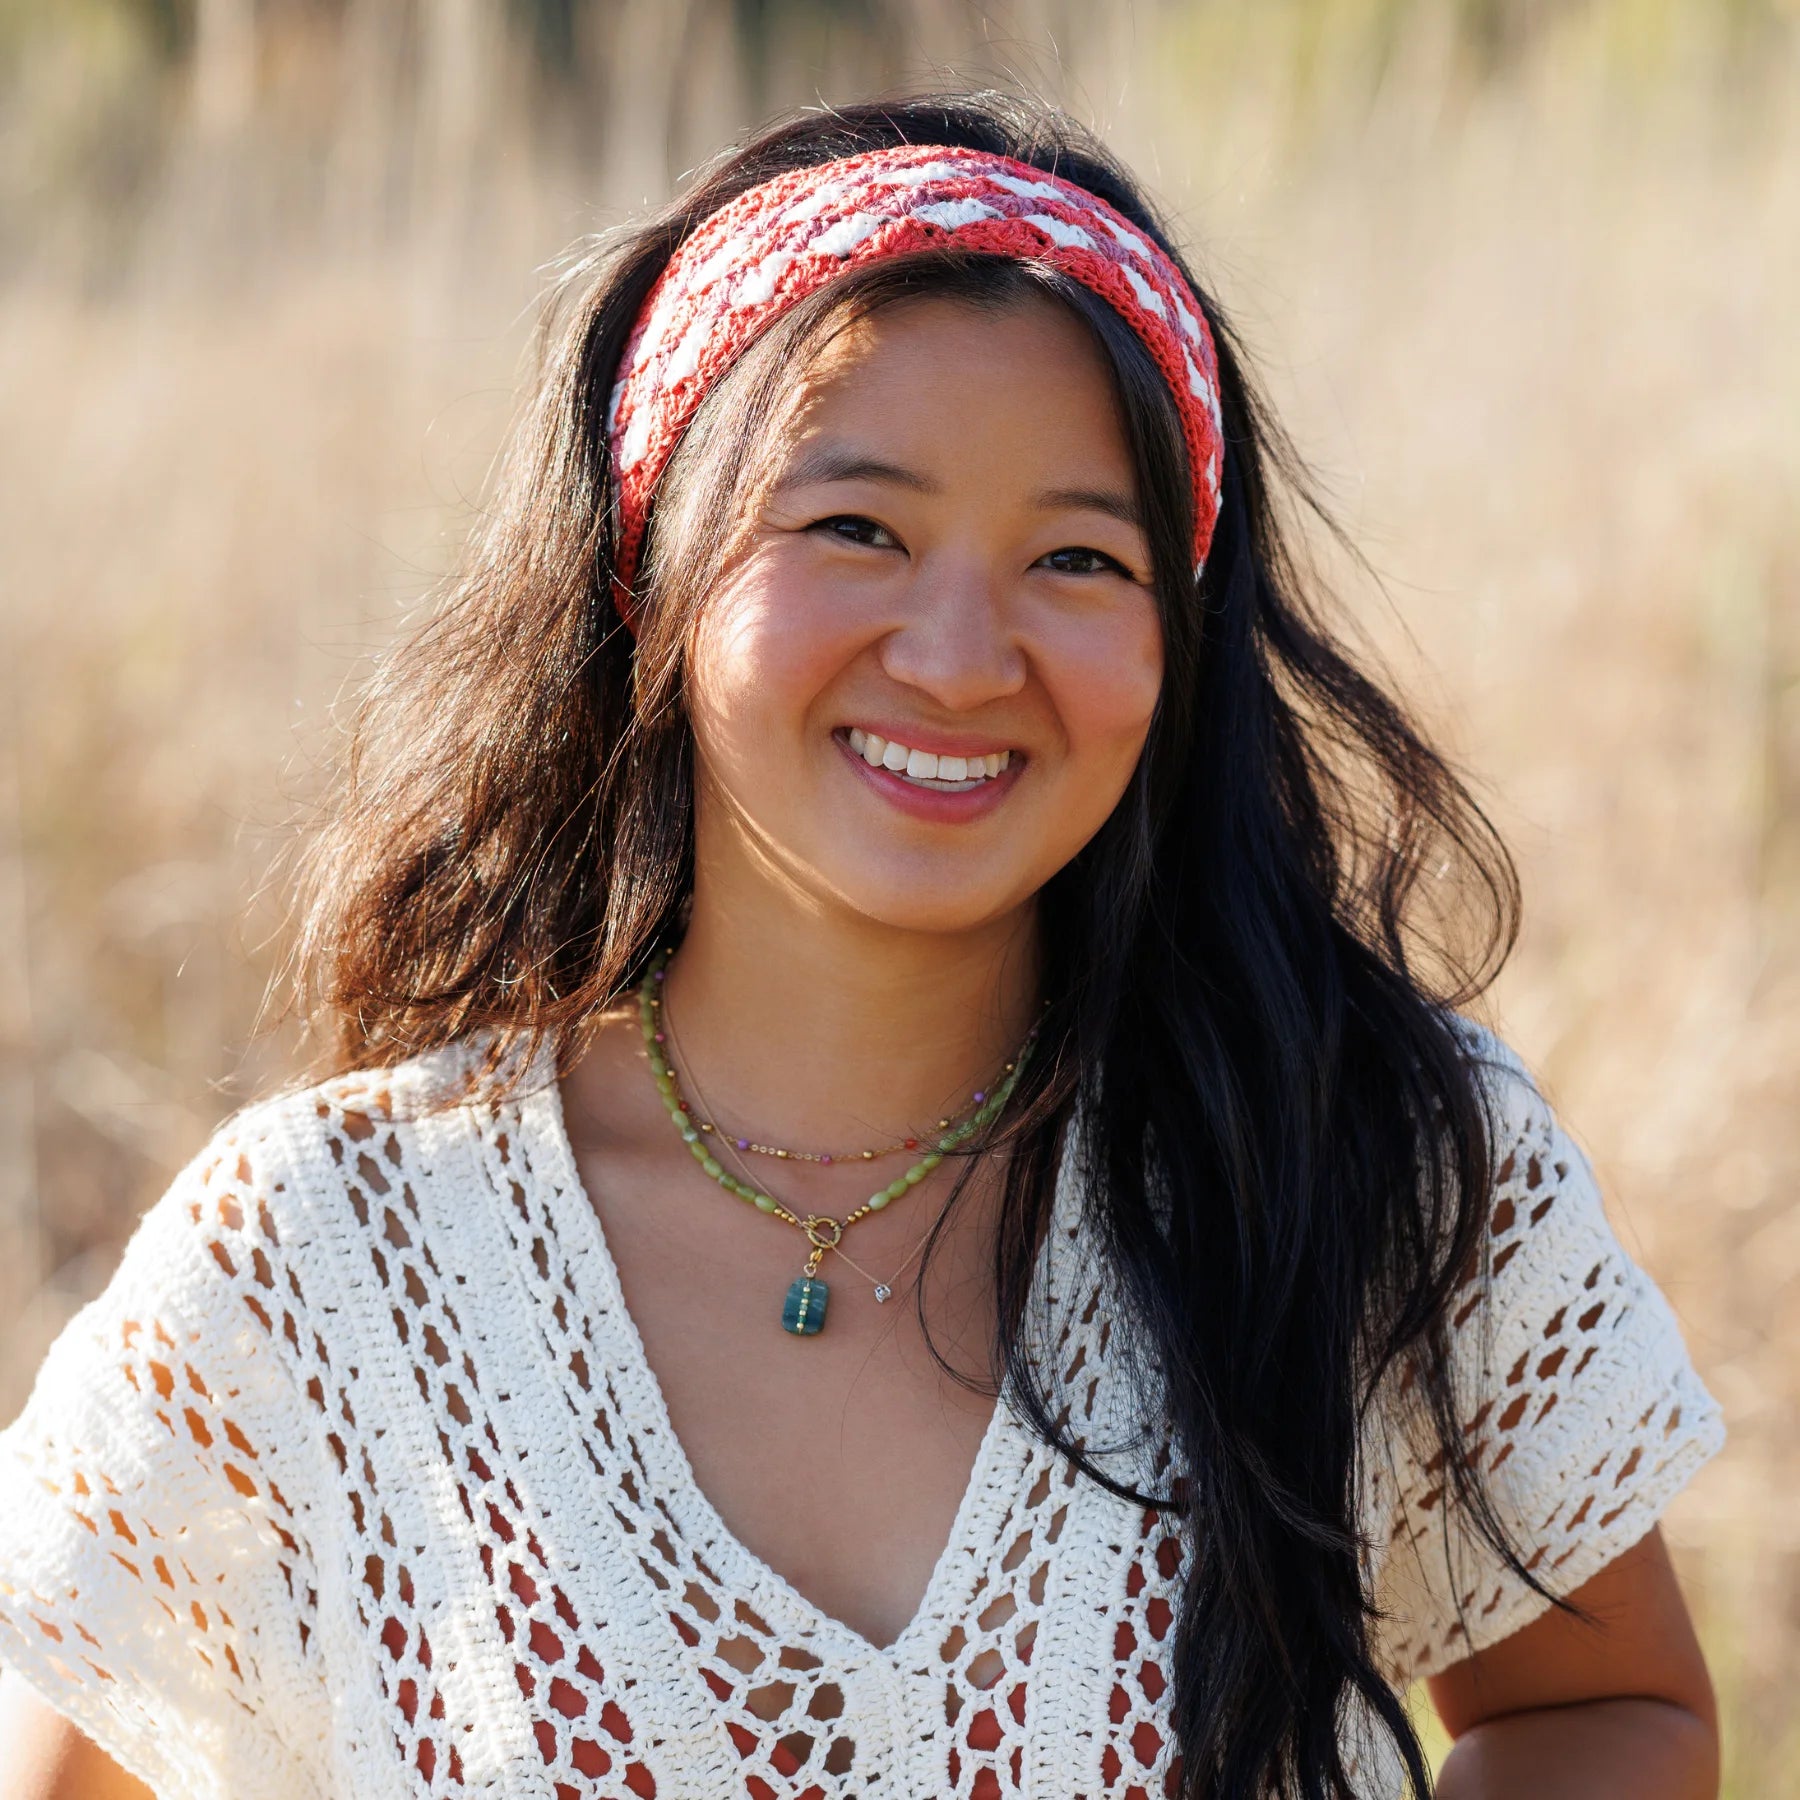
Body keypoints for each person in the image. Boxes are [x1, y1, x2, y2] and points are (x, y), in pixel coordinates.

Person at [0, 91, 1724, 1800]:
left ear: (1176, 637)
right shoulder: (319, 1260)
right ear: (645, 565)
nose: (964, 657)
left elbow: (1602, 1713)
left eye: (1076, 557)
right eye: (856, 530)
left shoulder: (1362, 1159)